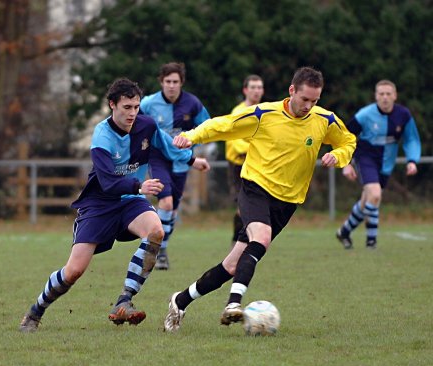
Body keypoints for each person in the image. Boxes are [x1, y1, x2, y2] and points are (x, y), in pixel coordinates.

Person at [163, 67, 356, 332]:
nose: (308, 106)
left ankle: (180, 301)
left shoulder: (324, 120)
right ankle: (233, 304)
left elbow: (348, 141)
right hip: (255, 187)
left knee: (232, 264)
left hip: (288, 201)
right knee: (261, 238)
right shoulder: (263, 114)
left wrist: (340, 156)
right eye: (304, 99)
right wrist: (191, 136)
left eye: (315, 101)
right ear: (292, 91)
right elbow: (223, 124)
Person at [19, 78, 209, 332]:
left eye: (136, 107)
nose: (132, 113)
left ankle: (124, 300)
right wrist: (140, 187)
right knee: (74, 271)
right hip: (99, 205)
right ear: (112, 105)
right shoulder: (101, 135)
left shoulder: (147, 126)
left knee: (155, 231)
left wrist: (192, 160)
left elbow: (168, 149)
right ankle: (36, 311)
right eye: (126, 107)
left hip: (130, 201)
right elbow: (108, 181)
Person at [140, 62, 211, 270]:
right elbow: (135, 123)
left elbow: (207, 126)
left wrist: (195, 144)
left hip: (181, 159)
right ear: (161, 82)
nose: (171, 86)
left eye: (175, 82)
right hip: (158, 157)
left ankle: (162, 248)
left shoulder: (193, 103)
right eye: (168, 81)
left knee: (173, 210)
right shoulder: (148, 103)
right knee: (167, 203)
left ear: (181, 83)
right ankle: (157, 249)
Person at [336, 80, 421, 249]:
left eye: (388, 94)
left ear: (395, 96)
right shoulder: (365, 115)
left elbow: (411, 138)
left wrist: (412, 160)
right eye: (381, 94)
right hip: (365, 158)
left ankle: (344, 231)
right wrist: (346, 163)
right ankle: (371, 242)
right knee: (375, 195)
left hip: (386, 163)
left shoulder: (403, 115)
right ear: (375, 96)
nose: (385, 97)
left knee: (366, 201)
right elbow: (343, 137)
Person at [225, 74, 264, 244]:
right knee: (243, 207)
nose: (256, 91)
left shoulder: (266, 111)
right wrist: (258, 148)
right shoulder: (238, 112)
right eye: (253, 87)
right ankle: (238, 239)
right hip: (239, 166)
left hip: (259, 165)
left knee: (255, 205)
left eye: (259, 87)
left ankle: (246, 239)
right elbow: (236, 143)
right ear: (245, 90)